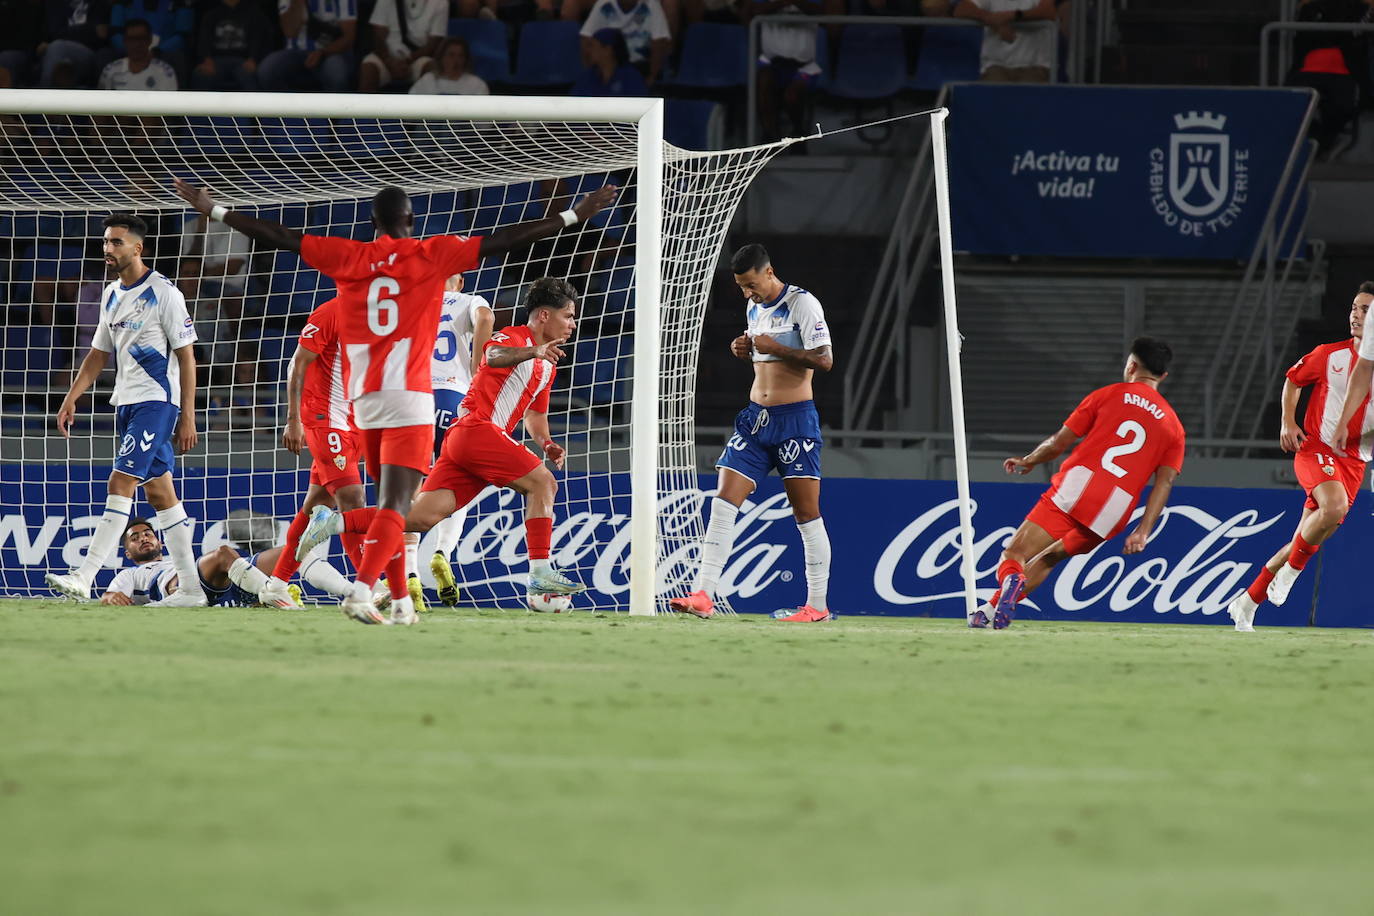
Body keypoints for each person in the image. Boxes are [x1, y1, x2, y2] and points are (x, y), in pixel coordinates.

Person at [172, 177, 617, 626]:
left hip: (363, 401)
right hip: (410, 398)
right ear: (411, 221)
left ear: (372, 222)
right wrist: (574, 215)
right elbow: (505, 238)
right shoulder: (430, 254)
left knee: (410, 513)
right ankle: (364, 590)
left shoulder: (349, 255)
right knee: (397, 506)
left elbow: (282, 236)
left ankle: (399, 598)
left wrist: (216, 211)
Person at [296, 277, 588, 619]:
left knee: (419, 519)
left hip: (463, 442)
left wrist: (547, 442)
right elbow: (491, 355)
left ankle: (333, 523)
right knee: (543, 483)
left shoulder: (546, 365)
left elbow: (536, 414)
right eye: (567, 316)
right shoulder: (515, 338)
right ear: (542, 316)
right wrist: (532, 350)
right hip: (476, 429)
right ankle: (540, 572)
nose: (572, 323)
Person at [670, 244, 834, 622]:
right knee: (723, 501)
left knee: (806, 514)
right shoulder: (753, 307)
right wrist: (744, 350)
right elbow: (766, 361)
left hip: (795, 421)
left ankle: (818, 607)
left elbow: (824, 359)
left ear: (769, 271)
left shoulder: (802, 304)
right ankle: (703, 594)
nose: (747, 293)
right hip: (755, 421)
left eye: (751, 284)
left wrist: (773, 347)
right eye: (742, 287)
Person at [46, 214, 203, 606]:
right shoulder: (111, 294)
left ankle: (84, 576)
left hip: (156, 401)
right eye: (105, 242)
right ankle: (191, 589)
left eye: (116, 242)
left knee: (120, 482)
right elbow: (99, 354)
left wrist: (187, 414)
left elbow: (187, 357)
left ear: (138, 247)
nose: (107, 249)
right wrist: (72, 396)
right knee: (160, 492)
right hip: (126, 402)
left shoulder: (164, 292)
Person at [984, 337, 1185, 629]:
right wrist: (1143, 531)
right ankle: (990, 614)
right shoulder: (1174, 426)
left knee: (1015, 554)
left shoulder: (1108, 395)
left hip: (1078, 488)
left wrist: (1029, 460)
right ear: (1163, 376)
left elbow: (1057, 443)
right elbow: (1164, 484)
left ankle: (1012, 579)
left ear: (1131, 365)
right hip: (1114, 510)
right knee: (1049, 559)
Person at [1232, 286, 1374, 630]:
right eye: (1355, 307)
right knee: (1334, 508)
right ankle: (1292, 574)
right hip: (1317, 450)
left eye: (1366, 310)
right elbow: (1293, 381)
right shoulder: (1329, 355)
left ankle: (1248, 602)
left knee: (1303, 539)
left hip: (1354, 464)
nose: (1356, 315)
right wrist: (1287, 421)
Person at [256, 296, 370, 608]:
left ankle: (276, 585)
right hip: (324, 418)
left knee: (314, 507)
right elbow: (298, 363)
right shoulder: (331, 312)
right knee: (352, 499)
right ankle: (367, 588)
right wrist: (293, 420)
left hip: (354, 421)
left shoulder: (383, 317)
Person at [98, 516, 362, 608]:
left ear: (159, 542)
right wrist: (111, 598)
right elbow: (110, 596)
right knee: (224, 553)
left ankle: (354, 593)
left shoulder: (171, 559)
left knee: (294, 552)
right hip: (185, 589)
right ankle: (273, 594)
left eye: (148, 534)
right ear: (128, 553)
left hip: (226, 583)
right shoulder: (131, 574)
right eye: (135, 538)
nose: (144, 539)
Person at [426, 273, 494, 606]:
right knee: (460, 480)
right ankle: (442, 552)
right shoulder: (471, 301)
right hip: (452, 397)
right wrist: (478, 367)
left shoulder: (415, 303)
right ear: (461, 281)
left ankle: (407, 576)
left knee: (410, 485)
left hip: (414, 402)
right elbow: (486, 318)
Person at [744, 0, 825, 143]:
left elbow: (821, 11)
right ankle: (769, 135)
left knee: (792, 95)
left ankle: (798, 132)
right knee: (763, 81)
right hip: (770, 62)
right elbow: (755, 10)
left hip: (805, 66)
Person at [259, 0, 358, 93]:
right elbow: (290, 32)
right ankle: (292, 109)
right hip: (296, 53)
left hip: (332, 52)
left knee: (335, 69)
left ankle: (334, 109)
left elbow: (349, 38)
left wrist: (322, 53)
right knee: (268, 69)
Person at [953, 0, 1057, 83]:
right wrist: (994, 20)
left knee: (1030, 104)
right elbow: (961, 9)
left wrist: (1013, 15)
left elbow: (1048, 11)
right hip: (995, 67)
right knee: (989, 103)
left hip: (1035, 67)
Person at [578, 0, 674, 88]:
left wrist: (652, 76)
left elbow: (659, 40)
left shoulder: (651, 4)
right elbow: (586, 37)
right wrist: (589, 73)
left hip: (640, 65)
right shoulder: (604, 4)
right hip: (611, 64)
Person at [359, 0, 446, 93]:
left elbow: (433, 44)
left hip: (416, 58)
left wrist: (407, 61)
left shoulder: (440, 2)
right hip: (385, 57)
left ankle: (424, 107)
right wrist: (389, 61)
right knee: (368, 69)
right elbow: (378, 36)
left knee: (432, 69)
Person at [192, 0, 273, 91]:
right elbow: (203, 40)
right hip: (216, 60)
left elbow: (258, 40)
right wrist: (207, 60)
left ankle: (253, 104)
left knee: (250, 77)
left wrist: (253, 59)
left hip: (243, 61)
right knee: (201, 75)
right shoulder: (211, 14)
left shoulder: (254, 14)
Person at [40, 0, 110, 88]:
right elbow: (54, 33)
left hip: (89, 52)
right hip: (60, 51)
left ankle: (44, 97)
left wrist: (65, 33)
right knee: (57, 51)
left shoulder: (98, 3)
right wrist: (89, 29)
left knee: (56, 47)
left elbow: (101, 35)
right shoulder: (54, 3)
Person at [98, 18, 178, 91]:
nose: (136, 44)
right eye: (131, 39)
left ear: (149, 40)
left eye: (140, 39)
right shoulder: (110, 70)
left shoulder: (165, 72)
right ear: (124, 41)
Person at [571, 28, 647, 98]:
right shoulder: (586, 77)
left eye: (592, 46)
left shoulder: (631, 77)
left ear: (608, 50)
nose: (588, 51)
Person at [408, 36, 489, 95]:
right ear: (441, 57)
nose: (456, 60)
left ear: (466, 59)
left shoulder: (477, 85)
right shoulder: (428, 80)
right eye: (451, 55)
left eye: (461, 56)